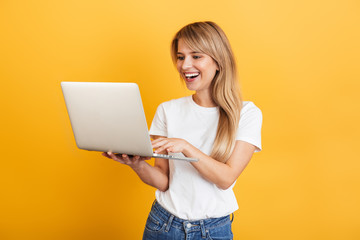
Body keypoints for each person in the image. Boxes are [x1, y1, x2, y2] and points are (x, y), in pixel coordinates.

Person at [102, 21, 262, 240]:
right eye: (180, 57)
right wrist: (137, 164)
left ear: (219, 61)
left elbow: (226, 179)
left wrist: (186, 147)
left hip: (213, 230)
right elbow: (164, 181)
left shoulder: (246, 113)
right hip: (163, 224)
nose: (185, 65)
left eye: (196, 56)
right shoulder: (168, 110)